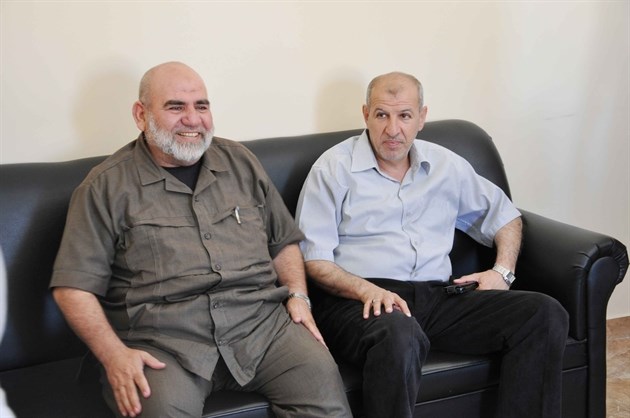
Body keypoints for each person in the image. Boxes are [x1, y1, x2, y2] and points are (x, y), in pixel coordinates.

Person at [50, 62, 351, 418]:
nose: (193, 119)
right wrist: (114, 355)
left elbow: (282, 240)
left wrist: (298, 296)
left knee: (322, 382)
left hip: (262, 328)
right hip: (163, 344)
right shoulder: (105, 187)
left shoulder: (240, 162)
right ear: (141, 115)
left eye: (201, 106)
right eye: (176, 107)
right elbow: (73, 288)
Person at [295, 71, 569, 418]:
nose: (393, 129)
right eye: (382, 115)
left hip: (437, 298)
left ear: (422, 118)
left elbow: (506, 217)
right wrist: (366, 290)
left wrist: (502, 272)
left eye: (404, 115)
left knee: (544, 314)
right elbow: (313, 259)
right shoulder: (333, 169)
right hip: (360, 301)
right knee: (399, 333)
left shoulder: (446, 165)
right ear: (366, 115)